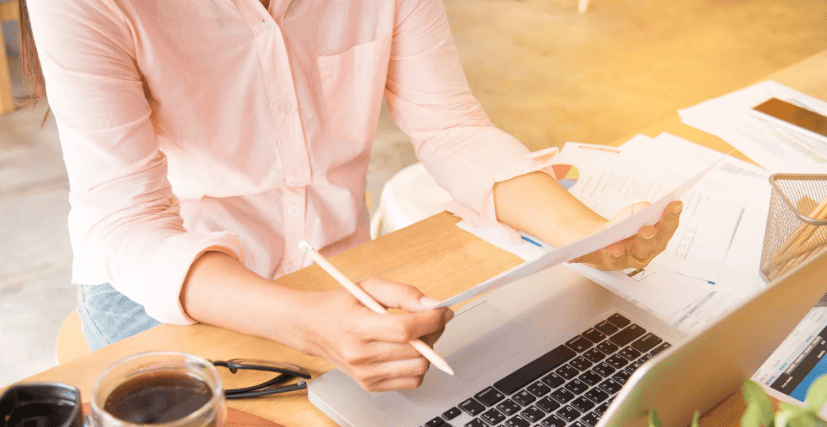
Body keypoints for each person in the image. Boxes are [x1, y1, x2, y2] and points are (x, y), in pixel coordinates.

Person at [20, 0, 681, 392]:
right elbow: (128, 224)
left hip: (337, 277)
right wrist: (308, 322)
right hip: (168, 295)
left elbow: (450, 127)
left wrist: (589, 234)